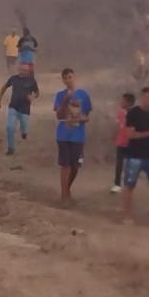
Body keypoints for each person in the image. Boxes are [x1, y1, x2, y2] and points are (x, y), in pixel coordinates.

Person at [122, 87, 149, 227]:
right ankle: (127, 216)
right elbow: (130, 135)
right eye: (148, 99)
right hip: (134, 155)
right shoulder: (133, 113)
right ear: (142, 98)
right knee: (129, 185)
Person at [54, 68, 92, 204]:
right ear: (63, 80)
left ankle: (67, 189)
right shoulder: (60, 95)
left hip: (78, 135)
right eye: (66, 78)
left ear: (74, 77)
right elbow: (58, 115)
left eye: (70, 77)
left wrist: (81, 119)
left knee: (76, 166)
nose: (68, 80)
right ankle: (64, 196)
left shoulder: (83, 95)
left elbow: (87, 116)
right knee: (65, 165)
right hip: (63, 134)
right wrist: (65, 100)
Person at [0, 63, 40, 155]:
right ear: (19, 69)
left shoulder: (31, 80)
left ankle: (24, 132)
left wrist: (33, 96)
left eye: (26, 70)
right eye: (22, 70)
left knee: (24, 126)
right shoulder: (14, 79)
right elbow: (5, 87)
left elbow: (37, 92)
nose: (23, 72)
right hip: (13, 107)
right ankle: (11, 148)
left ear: (28, 71)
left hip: (25, 109)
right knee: (9, 127)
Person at [111, 93, 135, 193]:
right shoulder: (120, 113)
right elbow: (118, 126)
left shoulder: (135, 114)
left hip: (131, 143)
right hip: (121, 142)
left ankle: (128, 184)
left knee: (130, 164)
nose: (121, 102)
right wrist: (114, 137)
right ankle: (117, 184)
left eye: (123, 101)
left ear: (128, 103)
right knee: (119, 163)